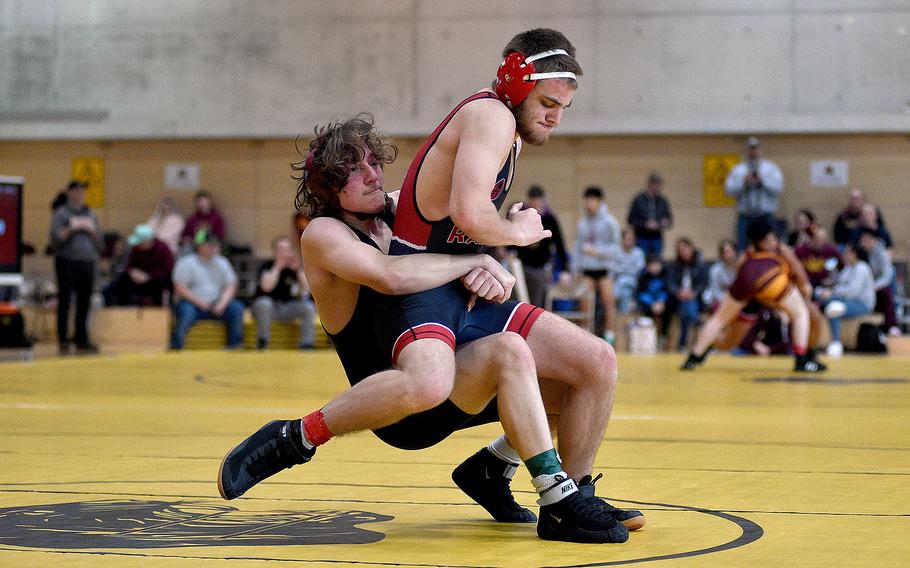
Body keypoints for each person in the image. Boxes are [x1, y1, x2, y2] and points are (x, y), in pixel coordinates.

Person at [219, 114, 634, 544]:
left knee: (585, 372)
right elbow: (389, 276)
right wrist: (473, 261)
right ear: (328, 186)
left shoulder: (403, 208)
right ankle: (297, 437)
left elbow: (468, 229)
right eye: (354, 170)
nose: (372, 175)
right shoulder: (325, 234)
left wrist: (506, 232)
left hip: (459, 363)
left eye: (373, 163)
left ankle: (511, 473)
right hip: (405, 403)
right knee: (498, 354)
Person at [375, 28, 641, 535]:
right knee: (548, 365)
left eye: (563, 107)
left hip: (457, 285)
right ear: (515, 82)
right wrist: (516, 233)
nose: (555, 118)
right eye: (546, 102)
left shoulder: (505, 125)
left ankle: (564, 491)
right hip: (424, 298)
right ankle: (542, 491)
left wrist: (483, 252)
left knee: (595, 362)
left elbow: (455, 220)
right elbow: (469, 213)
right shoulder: (490, 115)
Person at [681, 220, 827, 372]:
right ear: (762, 242)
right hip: (770, 283)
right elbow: (798, 272)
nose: (773, 242)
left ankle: (695, 355)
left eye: (773, 238)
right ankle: (801, 360)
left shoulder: (748, 252)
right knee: (801, 313)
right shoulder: (781, 250)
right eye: (770, 239)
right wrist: (805, 289)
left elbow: (740, 272)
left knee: (721, 321)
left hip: (747, 286)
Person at [48, 180, 101, 355]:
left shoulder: (91, 213)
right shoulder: (61, 213)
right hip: (67, 261)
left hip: (87, 261)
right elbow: (55, 240)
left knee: (85, 301)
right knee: (65, 299)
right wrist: (72, 227)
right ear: (70, 193)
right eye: (77, 191)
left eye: (82, 191)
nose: (80, 194)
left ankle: (81, 338)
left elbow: (99, 243)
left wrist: (90, 230)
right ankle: (63, 339)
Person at [170, 232, 244, 350]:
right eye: (209, 245)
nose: (213, 248)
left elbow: (231, 285)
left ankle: (235, 345)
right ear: (200, 246)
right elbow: (180, 288)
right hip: (192, 303)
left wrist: (222, 304)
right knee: (186, 311)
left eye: (215, 245)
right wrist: (200, 302)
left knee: (236, 308)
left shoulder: (223, 262)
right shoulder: (186, 262)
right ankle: (177, 345)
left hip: (216, 304)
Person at [572, 186, 621, 343]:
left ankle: (610, 337)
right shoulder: (582, 223)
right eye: (587, 199)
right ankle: (586, 338)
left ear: (600, 201)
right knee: (585, 304)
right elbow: (577, 248)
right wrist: (575, 269)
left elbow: (616, 248)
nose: (589, 203)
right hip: (588, 269)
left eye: (593, 199)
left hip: (604, 268)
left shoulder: (610, 222)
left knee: (609, 303)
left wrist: (598, 251)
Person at [251, 235, 317, 350]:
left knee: (308, 308)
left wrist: (298, 270)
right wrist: (277, 267)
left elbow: (308, 289)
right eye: (281, 249)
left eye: (287, 249)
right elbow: (266, 287)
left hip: (288, 307)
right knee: (264, 303)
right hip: (269, 308)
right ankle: (263, 341)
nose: (284, 253)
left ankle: (307, 344)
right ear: (274, 252)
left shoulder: (295, 269)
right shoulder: (266, 266)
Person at [511, 185, 569, 308]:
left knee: (537, 298)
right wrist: (510, 250)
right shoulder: (523, 216)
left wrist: (565, 269)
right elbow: (513, 236)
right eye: (534, 202)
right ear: (529, 201)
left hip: (540, 267)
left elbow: (559, 245)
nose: (537, 205)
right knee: (517, 296)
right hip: (522, 264)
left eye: (539, 202)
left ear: (543, 201)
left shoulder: (550, 219)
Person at [816, 241, 875, 357]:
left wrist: (832, 293)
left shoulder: (862, 268)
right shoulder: (848, 268)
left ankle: (836, 343)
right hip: (847, 301)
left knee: (834, 308)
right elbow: (840, 283)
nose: (844, 254)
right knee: (819, 294)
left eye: (847, 252)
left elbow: (853, 292)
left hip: (862, 304)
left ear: (854, 254)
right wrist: (829, 286)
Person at [724, 137, 784, 251]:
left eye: (755, 149)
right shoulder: (738, 170)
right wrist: (743, 182)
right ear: (746, 151)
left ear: (761, 150)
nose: (753, 152)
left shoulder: (771, 168)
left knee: (771, 247)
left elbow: (779, 188)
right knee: (743, 248)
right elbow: (728, 190)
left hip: (766, 216)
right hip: (745, 217)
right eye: (750, 149)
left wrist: (763, 181)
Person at [103, 224, 174, 306]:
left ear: (147, 241)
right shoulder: (135, 249)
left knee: (163, 282)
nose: (137, 244)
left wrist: (149, 276)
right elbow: (128, 265)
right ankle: (124, 309)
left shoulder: (163, 249)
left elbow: (167, 270)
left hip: (155, 280)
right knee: (122, 280)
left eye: (140, 242)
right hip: (137, 279)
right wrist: (132, 272)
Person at [665, 237, 708, 351]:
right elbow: (670, 284)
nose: (683, 252)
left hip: (696, 298)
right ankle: (695, 321)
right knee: (686, 306)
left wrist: (693, 293)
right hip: (677, 299)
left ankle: (683, 343)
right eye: (680, 250)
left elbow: (703, 284)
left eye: (685, 249)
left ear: (691, 248)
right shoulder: (673, 266)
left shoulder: (701, 265)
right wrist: (678, 293)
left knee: (688, 306)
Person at [857, 228, 901, 336]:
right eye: (862, 240)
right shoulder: (858, 253)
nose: (864, 242)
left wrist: (874, 286)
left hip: (876, 285)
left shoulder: (881, 253)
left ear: (874, 240)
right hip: (861, 287)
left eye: (867, 240)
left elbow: (887, 275)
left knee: (886, 293)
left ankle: (891, 325)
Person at [627, 171, 673, 256]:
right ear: (649, 184)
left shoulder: (663, 201)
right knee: (642, 261)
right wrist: (645, 224)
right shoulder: (639, 200)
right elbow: (630, 220)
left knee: (656, 262)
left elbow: (669, 220)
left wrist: (663, 223)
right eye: (654, 183)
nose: (657, 186)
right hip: (641, 237)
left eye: (659, 184)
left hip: (657, 237)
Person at [636, 255, 669, 342]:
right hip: (648, 304)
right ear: (647, 266)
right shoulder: (642, 276)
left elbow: (667, 291)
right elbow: (640, 293)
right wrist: (652, 303)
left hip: (662, 303)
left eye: (657, 265)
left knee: (668, 312)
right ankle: (648, 340)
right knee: (646, 313)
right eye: (652, 265)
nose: (655, 268)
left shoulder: (666, 275)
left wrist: (661, 301)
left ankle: (663, 337)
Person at [612, 227, 645, 314]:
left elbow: (639, 269)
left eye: (630, 239)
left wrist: (623, 270)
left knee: (624, 280)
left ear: (634, 240)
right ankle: (624, 313)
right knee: (625, 290)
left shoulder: (639, 252)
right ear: (622, 240)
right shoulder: (616, 252)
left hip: (634, 280)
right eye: (626, 239)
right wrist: (626, 270)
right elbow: (614, 269)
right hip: (617, 281)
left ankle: (614, 299)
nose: (628, 241)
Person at [702, 239, 739, 311]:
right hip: (720, 299)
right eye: (723, 253)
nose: (726, 255)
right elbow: (715, 290)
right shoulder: (715, 269)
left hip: (738, 300)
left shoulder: (741, 267)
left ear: (735, 252)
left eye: (728, 251)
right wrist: (726, 301)